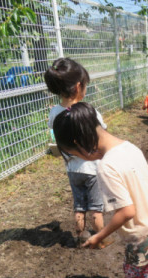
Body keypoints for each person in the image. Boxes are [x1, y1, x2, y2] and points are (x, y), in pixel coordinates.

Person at [52, 102, 148, 278]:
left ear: (79, 143)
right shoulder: (129, 147)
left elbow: (127, 211)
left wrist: (99, 236)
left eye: (74, 155)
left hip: (142, 237)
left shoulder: (106, 166)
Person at [44, 58, 105, 243]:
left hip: (72, 168)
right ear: (79, 87)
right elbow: (103, 132)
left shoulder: (54, 112)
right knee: (95, 207)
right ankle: (100, 239)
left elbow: (55, 134)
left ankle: (79, 238)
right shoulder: (87, 111)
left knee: (79, 206)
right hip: (92, 168)